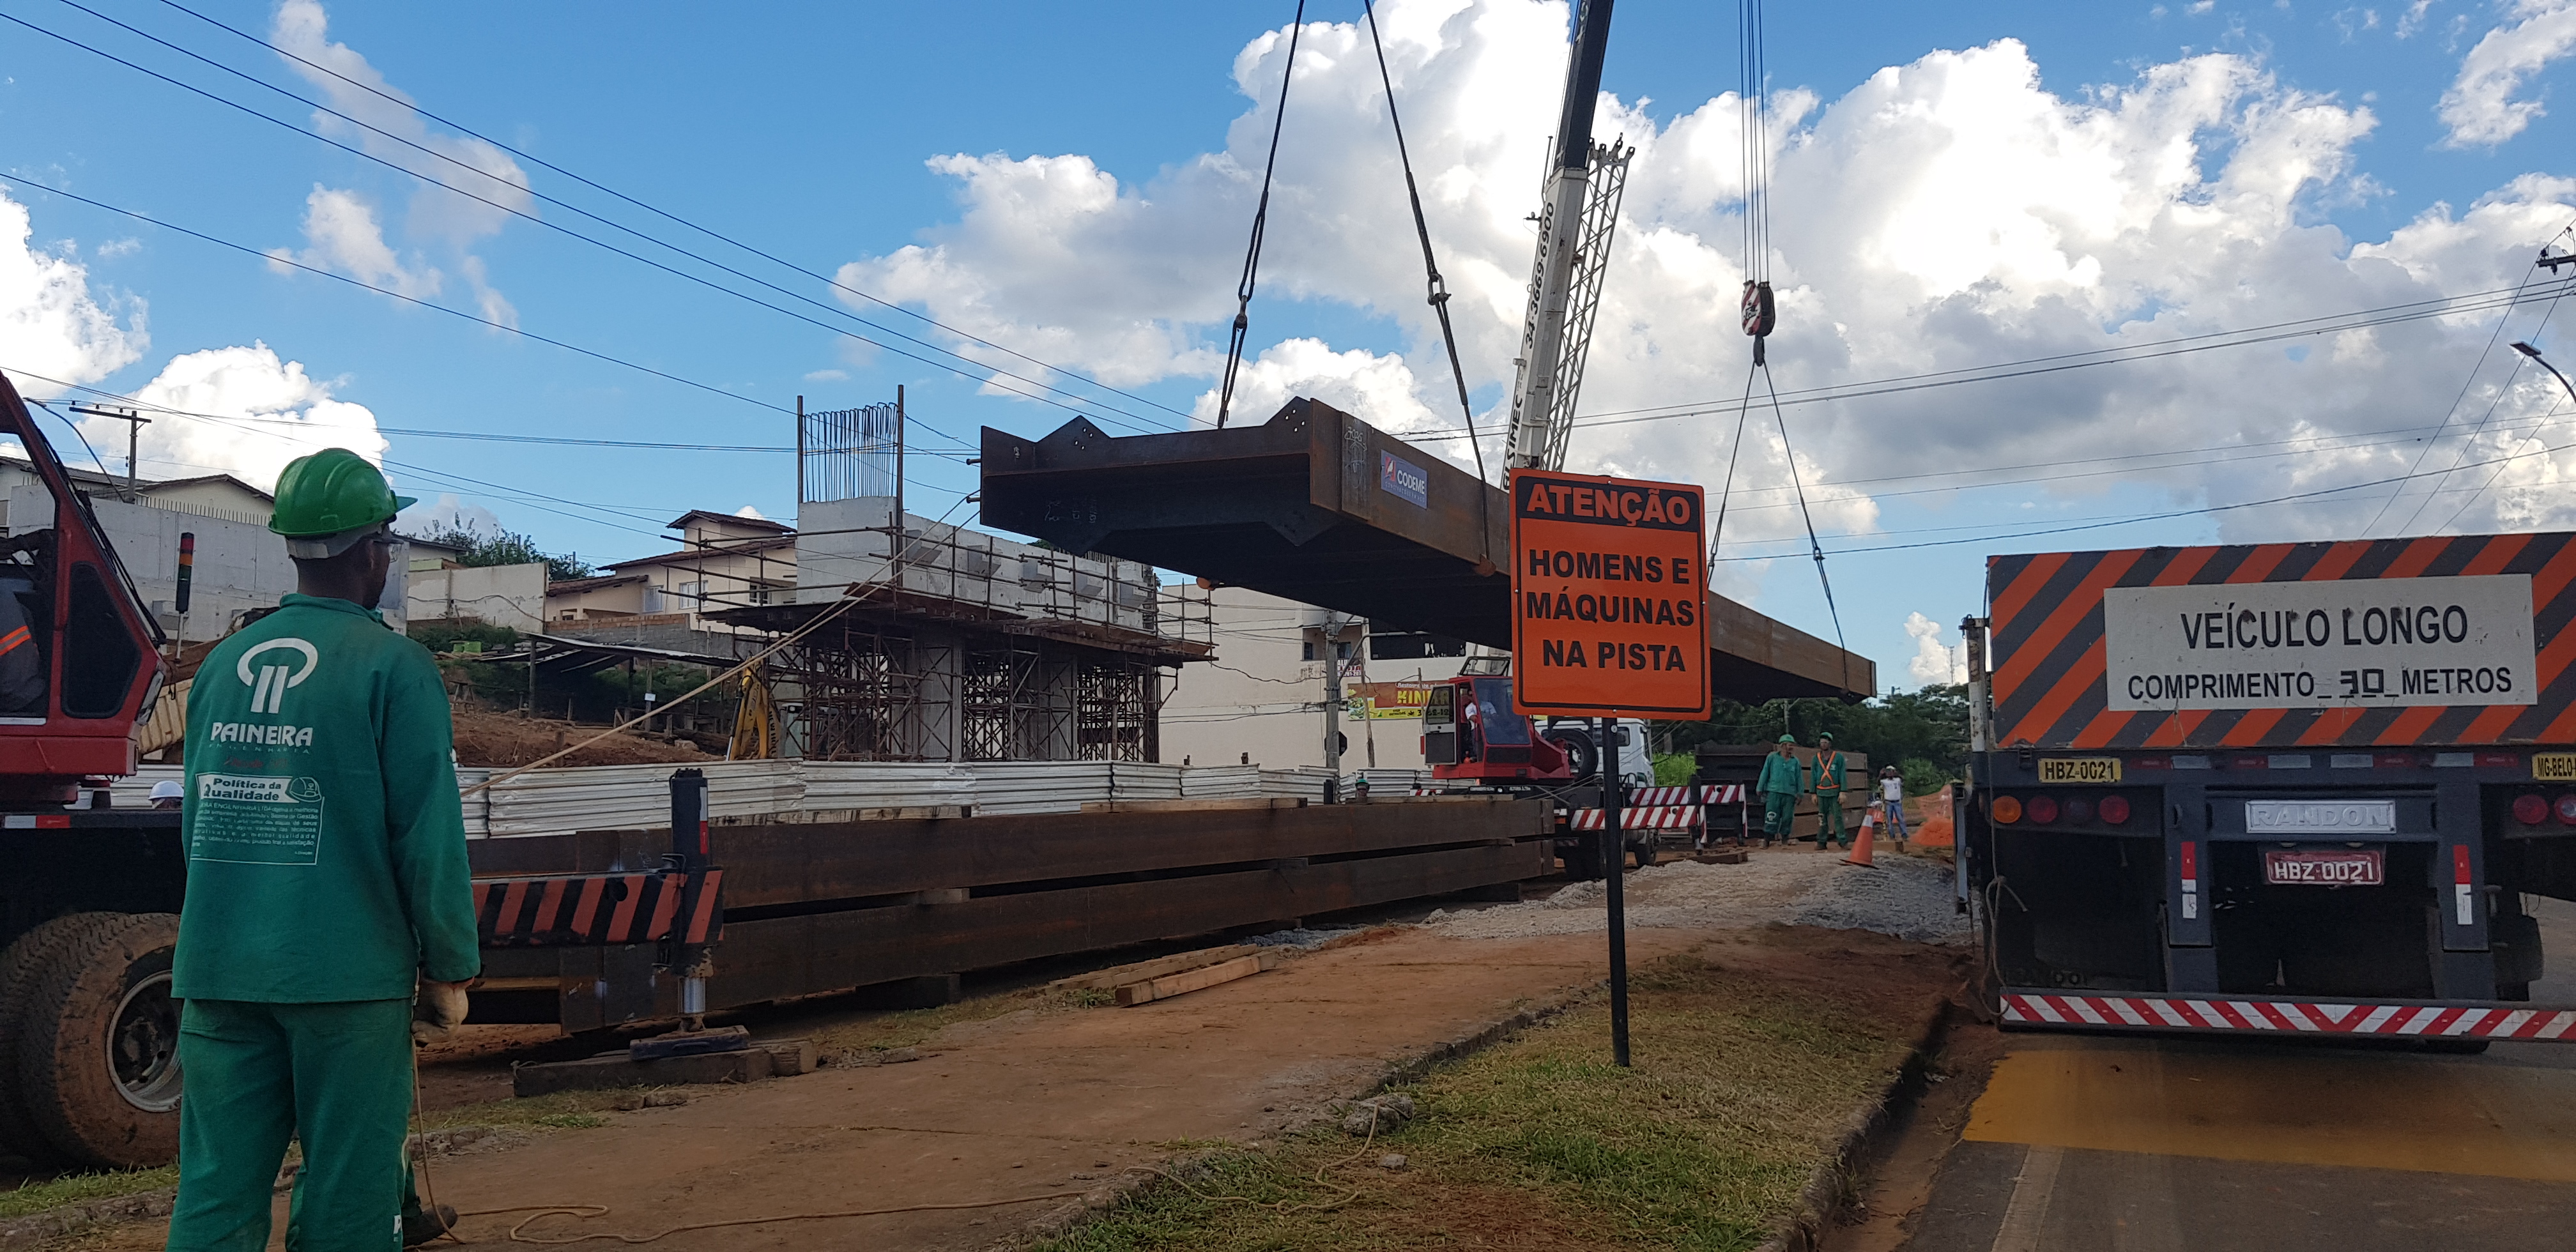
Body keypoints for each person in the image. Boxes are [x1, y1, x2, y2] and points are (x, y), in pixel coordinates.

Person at [166, 448, 480, 1251]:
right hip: (345, 981)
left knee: (213, 1194)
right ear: (372, 548)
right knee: (349, 1196)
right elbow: (427, 833)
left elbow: (200, 813)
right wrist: (448, 964)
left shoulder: (223, 665)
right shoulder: (396, 667)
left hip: (219, 968)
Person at [1756, 734, 1802, 848]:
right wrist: (1760, 787)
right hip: (1774, 792)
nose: (1792, 748)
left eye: (1792, 745)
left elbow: (1799, 778)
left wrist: (1800, 793)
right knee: (1771, 816)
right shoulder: (1772, 758)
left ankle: (1785, 839)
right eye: (1790, 745)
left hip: (1789, 794)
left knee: (1787, 817)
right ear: (1783, 746)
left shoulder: (1795, 762)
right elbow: (1765, 772)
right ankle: (1767, 840)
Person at [1812, 731, 1848, 851]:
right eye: (1822, 742)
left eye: (1826, 742)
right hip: (1821, 792)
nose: (1823, 744)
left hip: (1834, 792)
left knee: (1838, 817)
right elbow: (1813, 775)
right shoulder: (1816, 758)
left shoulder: (1838, 757)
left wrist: (1843, 791)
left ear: (1830, 743)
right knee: (1822, 818)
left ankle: (1842, 841)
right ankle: (1821, 842)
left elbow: (1842, 774)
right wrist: (1813, 793)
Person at [1878, 766, 1909, 846]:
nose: (1890, 773)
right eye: (1888, 772)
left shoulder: (1897, 780)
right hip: (1889, 802)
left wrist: (1896, 774)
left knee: (1900, 819)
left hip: (1897, 802)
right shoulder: (1885, 781)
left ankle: (1904, 835)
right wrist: (1881, 775)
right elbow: (1878, 782)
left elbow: (1903, 779)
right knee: (1889, 820)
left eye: (1891, 772)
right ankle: (1892, 835)